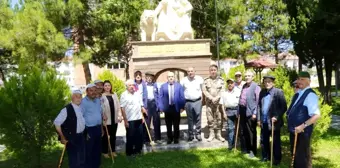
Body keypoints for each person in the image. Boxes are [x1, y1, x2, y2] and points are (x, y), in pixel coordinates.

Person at [287, 71, 321, 168]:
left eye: (302, 79)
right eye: (298, 79)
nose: (299, 81)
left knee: (302, 159)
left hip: (302, 132)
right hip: (295, 131)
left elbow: (316, 115)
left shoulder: (310, 95)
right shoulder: (300, 93)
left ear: (309, 81)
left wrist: (302, 126)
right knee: (297, 157)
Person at [258, 76, 287, 165]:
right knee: (264, 140)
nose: (267, 83)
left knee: (275, 142)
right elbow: (259, 106)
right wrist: (259, 119)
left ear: (273, 83)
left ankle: (277, 160)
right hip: (264, 121)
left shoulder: (278, 92)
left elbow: (284, 107)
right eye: (265, 81)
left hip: (274, 122)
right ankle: (265, 156)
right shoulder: (262, 92)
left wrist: (277, 116)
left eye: (269, 81)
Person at [54, 89, 86, 168]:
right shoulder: (66, 109)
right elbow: (57, 123)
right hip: (71, 138)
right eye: (76, 96)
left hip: (81, 136)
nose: (78, 98)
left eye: (80, 97)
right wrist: (62, 137)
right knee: (74, 161)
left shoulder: (80, 108)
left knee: (82, 158)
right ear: (72, 97)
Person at [120, 79, 147, 157]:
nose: (132, 86)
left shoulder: (137, 94)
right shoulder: (123, 95)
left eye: (133, 85)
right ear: (126, 87)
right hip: (130, 119)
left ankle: (138, 151)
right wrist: (125, 120)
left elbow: (141, 105)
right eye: (130, 85)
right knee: (130, 136)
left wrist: (143, 114)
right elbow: (122, 108)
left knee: (139, 136)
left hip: (138, 118)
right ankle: (129, 153)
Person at [238, 70, 261, 158]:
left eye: (249, 76)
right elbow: (241, 98)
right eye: (246, 76)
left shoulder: (256, 87)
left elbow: (258, 102)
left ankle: (253, 151)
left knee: (251, 132)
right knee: (244, 131)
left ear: (253, 77)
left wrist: (255, 113)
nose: (247, 77)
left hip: (251, 113)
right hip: (243, 110)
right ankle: (246, 148)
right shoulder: (244, 86)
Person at [81, 83, 104, 168]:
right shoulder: (83, 102)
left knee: (97, 148)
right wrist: (84, 131)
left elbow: (99, 114)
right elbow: (81, 117)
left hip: (98, 128)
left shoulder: (98, 100)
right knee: (89, 149)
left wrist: (101, 128)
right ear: (87, 92)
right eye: (91, 90)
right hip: (88, 129)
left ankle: (97, 165)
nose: (93, 92)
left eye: (95, 90)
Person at [159, 71, 186, 144]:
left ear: (174, 77)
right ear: (167, 78)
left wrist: (182, 107)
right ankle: (169, 138)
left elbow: (182, 97)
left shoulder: (179, 86)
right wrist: (161, 107)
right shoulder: (163, 86)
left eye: (172, 76)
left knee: (176, 124)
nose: (171, 78)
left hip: (176, 108)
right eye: (169, 77)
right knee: (168, 124)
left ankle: (176, 138)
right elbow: (160, 97)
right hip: (167, 108)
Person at [202, 64, 225, 142]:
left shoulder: (221, 80)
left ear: (217, 71)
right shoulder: (206, 80)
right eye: (211, 70)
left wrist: (217, 98)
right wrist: (212, 98)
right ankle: (211, 134)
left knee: (219, 119)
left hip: (218, 104)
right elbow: (204, 91)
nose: (213, 71)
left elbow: (222, 90)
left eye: (214, 70)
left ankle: (219, 134)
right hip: (209, 104)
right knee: (210, 119)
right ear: (209, 71)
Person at [180, 67, 203, 141]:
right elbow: (181, 91)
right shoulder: (183, 80)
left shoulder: (199, 79)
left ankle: (198, 134)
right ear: (187, 72)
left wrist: (203, 101)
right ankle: (191, 134)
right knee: (190, 119)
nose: (190, 73)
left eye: (192, 71)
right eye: (188, 71)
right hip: (188, 102)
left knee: (198, 118)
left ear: (194, 71)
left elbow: (203, 90)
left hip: (198, 101)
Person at [101, 80, 122, 158]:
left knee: (113, 136)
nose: (107, 87)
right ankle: (105, 152)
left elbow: (118, 106)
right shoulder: (101, 96)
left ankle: (113, 151)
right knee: (105, 137)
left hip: (114, 119)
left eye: (108, 85)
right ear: (103, 87)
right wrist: (103, 115)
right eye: (105, 85)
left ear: (111, 86)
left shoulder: (114, 95)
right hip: (106, 120)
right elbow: (101, 107)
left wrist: (119, 115)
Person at [220, 79, 241, 150]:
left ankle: (239, 143)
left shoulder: (238, 92)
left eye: (231, 83)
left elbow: (240, 103)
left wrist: (239, 112)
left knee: (239, 128)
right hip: (228, 111)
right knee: (230, 128)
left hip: (237, 110)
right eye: (228, 83)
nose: (230, 84)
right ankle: (230, 144)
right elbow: (222, 104)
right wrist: (224, 113)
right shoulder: (224, 93)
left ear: (234, 84)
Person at [144, 71, 161, 143]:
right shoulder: (144, 86)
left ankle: (158, 138)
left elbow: (159, 96)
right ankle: (147, 139)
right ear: (146, 78)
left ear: (153, 78)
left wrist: (159, 106)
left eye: (150, 77)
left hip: (154, 104)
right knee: (147, 122)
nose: (149, 79)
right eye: (148, 77)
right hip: (147, 104)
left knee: (156, 121)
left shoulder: (156, 85)